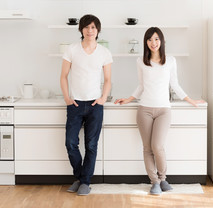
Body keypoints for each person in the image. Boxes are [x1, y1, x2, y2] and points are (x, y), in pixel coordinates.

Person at [115, 27, 204, 195]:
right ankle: (154, 182)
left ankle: (163, 179)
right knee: (147, 148)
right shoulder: (141, 61)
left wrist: (191, 100)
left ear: (162, 41)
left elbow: (175, 85)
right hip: (144, 110)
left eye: (156, 39)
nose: (153, 43)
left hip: (164, 110)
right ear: (145, 42)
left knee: (158, 146)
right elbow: (141, 86)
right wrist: (128, 99)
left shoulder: (170, 61)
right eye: (149, 39)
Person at [60, 14, 113, 195]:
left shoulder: (104, 52)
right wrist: (67, 97)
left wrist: (103, 98)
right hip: (74, 104)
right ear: (81, 29)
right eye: (86, 27)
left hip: (94, 104)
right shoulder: (72, 49)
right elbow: (63, 76)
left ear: (97, 30)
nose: (90, 31)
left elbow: (107, 79)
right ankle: (81, 177)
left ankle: (84, 182)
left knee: (91, 145)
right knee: (70, 143)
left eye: (93, 27)